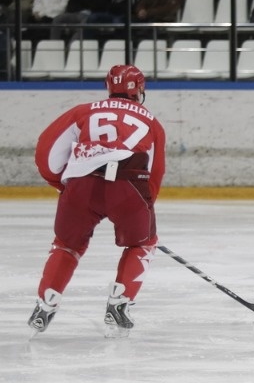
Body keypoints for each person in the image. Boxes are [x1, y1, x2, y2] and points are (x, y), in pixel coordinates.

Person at [28, 64, 166, 337]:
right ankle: (120, 303)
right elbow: (156, 169)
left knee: (67, 244)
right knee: (143, 243)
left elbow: (47, 149)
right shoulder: (152, 121)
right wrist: (145, 206)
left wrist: (61, 183)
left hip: (82, 184)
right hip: (130, 186)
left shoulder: (83, 111)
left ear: (108, 87)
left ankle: (46, 302)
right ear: (139, 90)